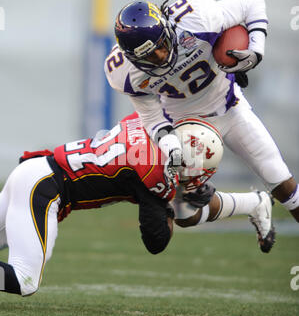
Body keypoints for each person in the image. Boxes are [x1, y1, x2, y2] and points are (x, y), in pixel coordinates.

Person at [0, 113, 274, 298]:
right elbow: (156, 241)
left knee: (186, 205)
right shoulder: (155, 172)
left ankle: (256, 202)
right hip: (43, 188)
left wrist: (175, 194)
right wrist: (170, 200)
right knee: (25, 281)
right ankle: (255, 202)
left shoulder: (150, 121)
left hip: (37, 171)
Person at [105, 0, 299, 224]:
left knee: (280, 180)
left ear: (168, 28)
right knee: (184, 215)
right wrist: (172, 146)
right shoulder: (124, 74)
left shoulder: (196, 18)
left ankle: (264, 201)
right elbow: (152, 118)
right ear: (131, 58)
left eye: (161, 45)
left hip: (229, 108)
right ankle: (254, 204)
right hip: (184, 126)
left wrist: (256, 50)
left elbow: (252, 2)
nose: (160, 56)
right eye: (148, 56)